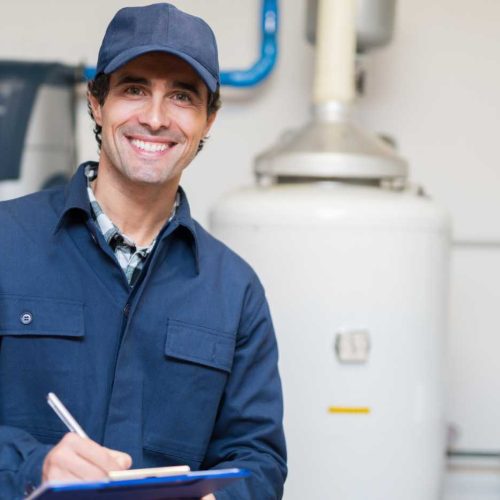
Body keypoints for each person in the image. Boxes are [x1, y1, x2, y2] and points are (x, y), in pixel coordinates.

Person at [0, 3, 286, 499]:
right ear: (96, 102)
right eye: (134, 89)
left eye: (181, 96)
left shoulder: (234, 291)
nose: (155, 119)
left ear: (208, 119)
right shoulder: (6, 242)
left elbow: (258, 458)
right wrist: (33, 465)